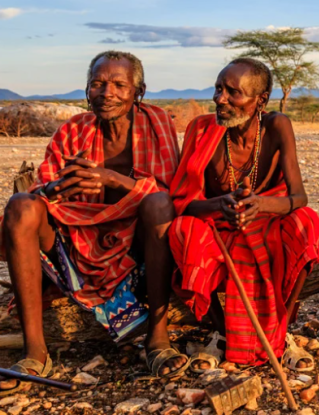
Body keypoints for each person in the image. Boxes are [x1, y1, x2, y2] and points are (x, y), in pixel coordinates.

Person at [0, 51, 185, 390]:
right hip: (75, 244)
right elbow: (46, 186)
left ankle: (158, 340)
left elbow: (170, 191)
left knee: (159, 204)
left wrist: (114, 180)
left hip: (136, 248)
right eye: (97, 84)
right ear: (87, 91)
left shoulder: (156, 124)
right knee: (20, 206)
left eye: (119, 84)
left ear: (138, 92)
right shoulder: (74, 130)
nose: (107, 92)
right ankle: (35, 352)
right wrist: (61, 185)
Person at [168, 58, 319, 369]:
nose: (220, 99)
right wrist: (219, 204)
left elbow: (298, 197)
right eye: (218, 89)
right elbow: (183, 202)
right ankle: (221, 333)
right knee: (183, 230)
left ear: (260, 101)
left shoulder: (278, 126)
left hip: (266, 220)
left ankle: (281, 331)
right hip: (218, 224)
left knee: (307, 223)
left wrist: (260, 205)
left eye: (232, 93)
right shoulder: (201, 129)